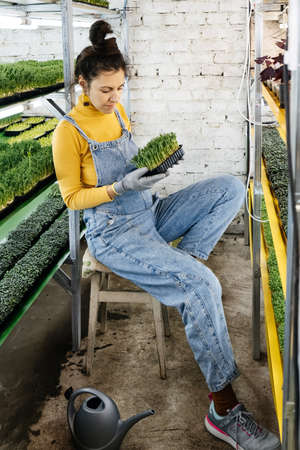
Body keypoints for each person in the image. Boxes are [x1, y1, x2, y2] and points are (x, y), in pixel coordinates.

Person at [52, 19, 281, 450]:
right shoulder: (68, 132)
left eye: (119, 88)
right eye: (105, 90)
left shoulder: (117, 112)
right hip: (115, 233)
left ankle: (186, 265)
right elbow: (72, 198)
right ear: (82, 84)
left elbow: (133, 167)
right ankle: (224, 410)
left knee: (230, 187)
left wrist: (152, 174)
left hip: (148, 213)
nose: (114, 97)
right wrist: (120, 187)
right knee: (202, 286)